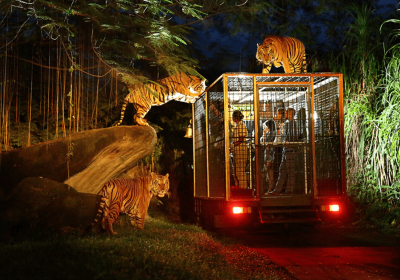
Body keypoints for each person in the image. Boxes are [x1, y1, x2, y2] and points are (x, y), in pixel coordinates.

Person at [269, 108, 298, 195]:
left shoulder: (292, 124)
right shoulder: (289, 123)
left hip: (289, 149)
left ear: (289, 114)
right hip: (287, 150)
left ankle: (288, 190)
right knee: (283, 170)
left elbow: (292, 136)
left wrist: (287, 141)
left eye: (286, 113)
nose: (284, 114)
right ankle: (279, 190)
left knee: (289, 171)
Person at [230, 110, 248, 189]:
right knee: (236, 170)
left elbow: (241, 139)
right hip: (237, 150)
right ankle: (238, 186)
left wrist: (232, 145)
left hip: (241, 149)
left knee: (240, 170)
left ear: (235, 118)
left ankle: (243, 187)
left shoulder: (241, 126)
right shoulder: (237, 126)